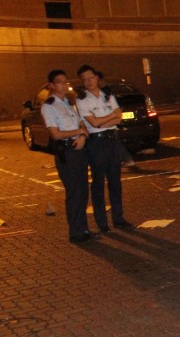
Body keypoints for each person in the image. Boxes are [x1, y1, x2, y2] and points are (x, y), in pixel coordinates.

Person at [76, 64, 133, 232]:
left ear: (96, 78)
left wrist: (104, 121)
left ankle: (118, 219)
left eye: (91, 77)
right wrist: (109, 117)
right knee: (98, 183)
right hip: (97, 143)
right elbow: (94, 123)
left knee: (115, 181)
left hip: (113, 140)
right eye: (84, 79)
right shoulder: (82, 100)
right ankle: (102, 223)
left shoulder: (107, 95)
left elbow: (118, 118)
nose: (88, 81)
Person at [41, 69, 94, 244]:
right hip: (67, 152)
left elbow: (81, 125)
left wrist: (82, 136)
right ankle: (76, 233)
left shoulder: (69, 103)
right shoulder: (49, 106)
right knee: (74, 193)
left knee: (83, 191)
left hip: (79, 149)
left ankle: (83, 228)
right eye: (60, 82)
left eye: (65, 81)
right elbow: (56, 134)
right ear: (51, 85)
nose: (64, 85)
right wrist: (78, 132)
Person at [96, 70, 136, 170]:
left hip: (110, 121)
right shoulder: (106, 90)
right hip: (110, 120)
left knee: (115, 143)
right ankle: (124, 160)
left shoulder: (105, 92)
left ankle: (127, 159)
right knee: (114, 143)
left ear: (100, 79)